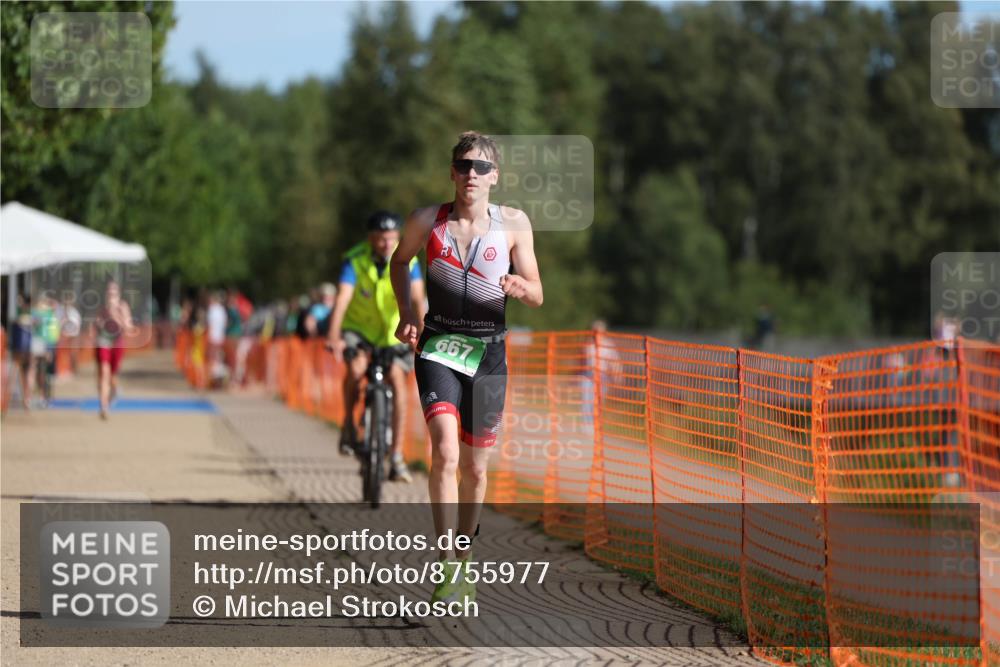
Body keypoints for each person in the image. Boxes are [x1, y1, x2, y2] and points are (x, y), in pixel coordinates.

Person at [390, 132, 543, 604]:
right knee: (445, 453)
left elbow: (538, 293)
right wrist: (408, 314)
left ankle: (465, 554)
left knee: (476, 470)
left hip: (490, 353)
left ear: (494, 175)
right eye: (463, 166)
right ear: (452, 172)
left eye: (480, 167)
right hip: (439, 346)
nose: (470, 175)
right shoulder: (426, 220)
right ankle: (447, 566)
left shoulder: (514, 223)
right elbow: (399, 262)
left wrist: (521, 286)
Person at [327, 211, 426, 484]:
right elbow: (342, 299)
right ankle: (348, 424)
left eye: (391, 239)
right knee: (356, 370)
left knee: (396, 380)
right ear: (370, 238)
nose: (386, 245)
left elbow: (419, 298)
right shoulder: (355, 260)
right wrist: (334, 335)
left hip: (395, 333)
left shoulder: (409, 259)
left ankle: (396, 456)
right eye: (381, 239)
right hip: (359, 329)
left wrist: (424, 328)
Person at [94, 281, 133, 420]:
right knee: (104, 373)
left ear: (118, 294)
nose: (111, 294)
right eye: (109, 292)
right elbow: (96, 325)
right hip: (104, 342)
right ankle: (103, 407)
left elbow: (128, 328)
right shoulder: (102, 308)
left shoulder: (123, 307)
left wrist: (117, 315)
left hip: (117, 342)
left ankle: (114, 391)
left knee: (112, 376)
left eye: (114, 292)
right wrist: (100, 323)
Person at [31, 294, 61, 406]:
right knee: (39, 370)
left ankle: (45, 395)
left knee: (46, 371)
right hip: (40, 344)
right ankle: (41, 395)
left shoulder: (51, 314)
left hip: (48, 345)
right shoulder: (37, 313)